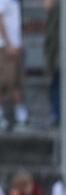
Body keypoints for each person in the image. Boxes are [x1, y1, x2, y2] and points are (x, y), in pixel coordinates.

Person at [0, 0, 27, 129]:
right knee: (6, 82)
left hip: (15, 47)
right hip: (5, 47)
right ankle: (15, 114)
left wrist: (19, 43)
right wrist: (8, 44)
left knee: (15, 81)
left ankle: (20, 114)